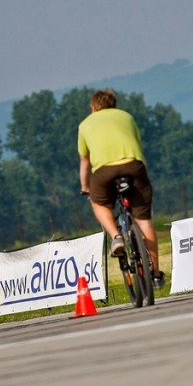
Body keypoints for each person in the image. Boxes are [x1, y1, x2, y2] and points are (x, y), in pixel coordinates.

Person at [78, 89, 165, 288]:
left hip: (104, 171)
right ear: (113, 104)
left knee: (99, 203)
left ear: (93, 107)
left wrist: (85, 187)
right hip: (133, 166)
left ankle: (116, 237)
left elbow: (85, 161)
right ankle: (156, 274)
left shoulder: (84, 125)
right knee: (144, 222)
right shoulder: (126, 116)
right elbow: (137, 142)